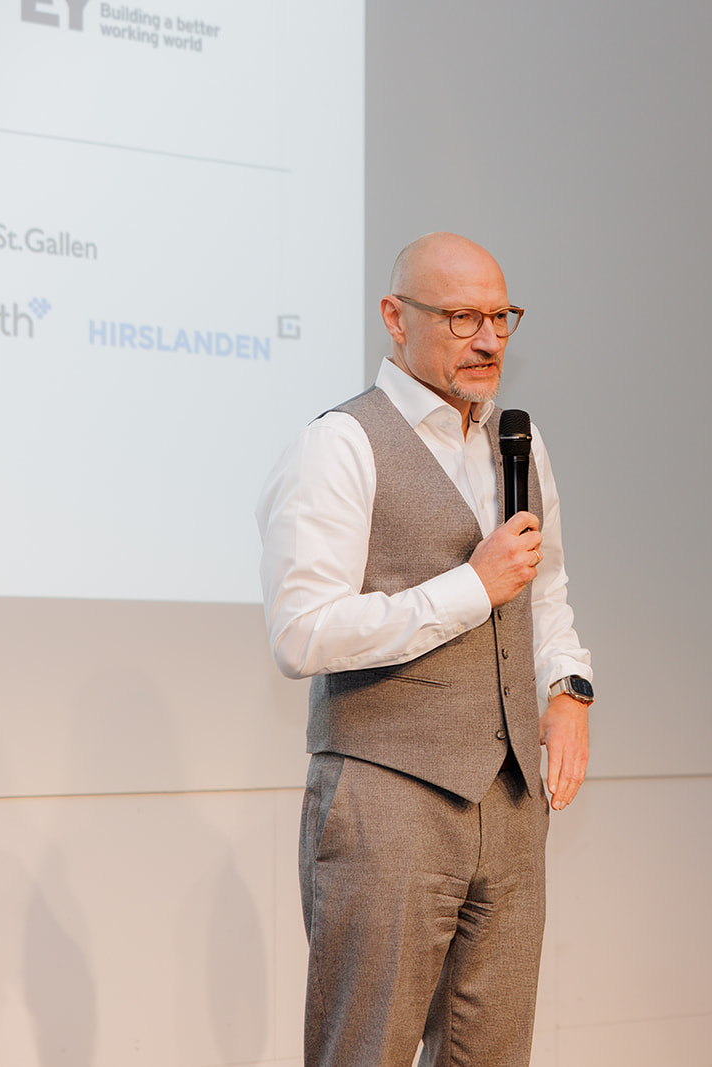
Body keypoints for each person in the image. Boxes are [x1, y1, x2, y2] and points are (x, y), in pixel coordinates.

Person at [256, 232, 595, 1067]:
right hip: (386, 795)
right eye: (462, 318)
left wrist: (568, 688)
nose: (488, 339)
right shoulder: (340, 443)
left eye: (501, 318)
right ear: (395, 317)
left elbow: (546, 586)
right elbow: (302, 630)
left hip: (511, 800)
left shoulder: (519, 440)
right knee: (364, 1050)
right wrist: (470, 587)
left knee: (494, 1054)